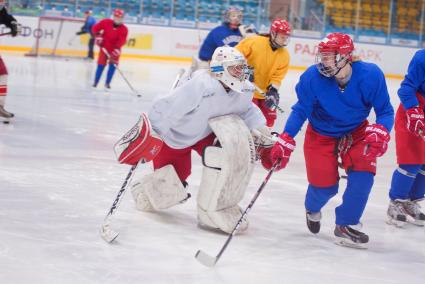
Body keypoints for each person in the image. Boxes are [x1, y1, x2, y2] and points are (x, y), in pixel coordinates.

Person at [113, 46, 269, 234]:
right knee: (171, 187)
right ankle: (144, 193)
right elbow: (167, 106)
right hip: (175, 137)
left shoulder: (244, 88)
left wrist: (265, 135)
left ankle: (211, 210)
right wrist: (153, 133)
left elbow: (247, 110)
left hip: (205, 134)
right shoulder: (202, 84)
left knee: (224, 154)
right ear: (220, 69)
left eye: (241, 67)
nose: (240, 72)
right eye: (234, 68)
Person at [269, 33, 394, 248]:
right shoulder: (312, 77)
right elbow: (301, 110)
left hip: (356, 131)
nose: (323, 61)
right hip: (321, 133)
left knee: (364, 175)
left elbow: (385, 111)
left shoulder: (370, 75)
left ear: (346, 56)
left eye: (329, 56)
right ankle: (312, 208)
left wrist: (382, 129)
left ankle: (345, 225)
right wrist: (286, 137)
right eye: (322, 56)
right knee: (325, 187)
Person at [386, 50, 425, 227]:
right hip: (413, 113)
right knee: (411, 160)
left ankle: (411, 201)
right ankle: (396, 202)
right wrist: (413, 110)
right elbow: (406, 88)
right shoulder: (422, 57)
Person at [236, 18, 291, 128]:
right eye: (282, 37)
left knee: (268, 121)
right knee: (249, 120)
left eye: (286, 37)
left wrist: (273, 91)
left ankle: (263, 144)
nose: (284, 40)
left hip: (265, 93)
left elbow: (278, 76)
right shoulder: (254, 41)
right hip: (247, 90)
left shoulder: (285, 55)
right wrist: (244, 70)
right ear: (273, 33)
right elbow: (235, 55)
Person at [92, 9, 128, 89]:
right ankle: (95, 82)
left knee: (113, 66)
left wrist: (115, 51)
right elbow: (95, 28)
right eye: (117, 17)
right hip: (104, 48)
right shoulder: (106, 22)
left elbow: (122, 40)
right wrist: (98, 36)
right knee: (100, 65)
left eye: (121, 17)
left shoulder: (124, 29)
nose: (119, 19)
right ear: (114, 17)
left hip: (115, 50)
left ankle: (107, 83)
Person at [0, 0, 20, 122]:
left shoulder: (1, 10)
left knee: (2, 73)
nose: (2, 2)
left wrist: (13, 25)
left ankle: (0, 105)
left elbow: (7, 18)